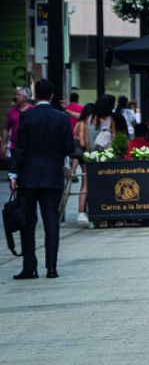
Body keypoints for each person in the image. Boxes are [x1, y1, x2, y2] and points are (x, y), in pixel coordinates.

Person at [9, 79, 74, 279]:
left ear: (35, 95)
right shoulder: (62, 118)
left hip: (28, 177)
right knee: (51, 221)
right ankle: (51, 268)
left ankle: (30, 267)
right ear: (53, 96)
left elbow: (20, 148)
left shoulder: (27, 116)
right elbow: (69, 148)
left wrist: (14, 174)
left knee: (28, 222)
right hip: (52, 175)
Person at [75, 103, 95, 224]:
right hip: (85, 156)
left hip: (84, 157)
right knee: (85, 183)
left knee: (86, 183)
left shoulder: (80, 122)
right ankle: (81, 211)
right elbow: (82, 142)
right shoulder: (83, 123)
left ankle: (83, 211)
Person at [2, 87, 34, 161]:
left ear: (26, 97)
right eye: (16, 95)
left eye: (19, 95)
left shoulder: (33, 110)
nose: (16, 97)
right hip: (15, 147)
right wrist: (3, 144)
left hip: (29, 148)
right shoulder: (12, 111)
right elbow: (6, 128)